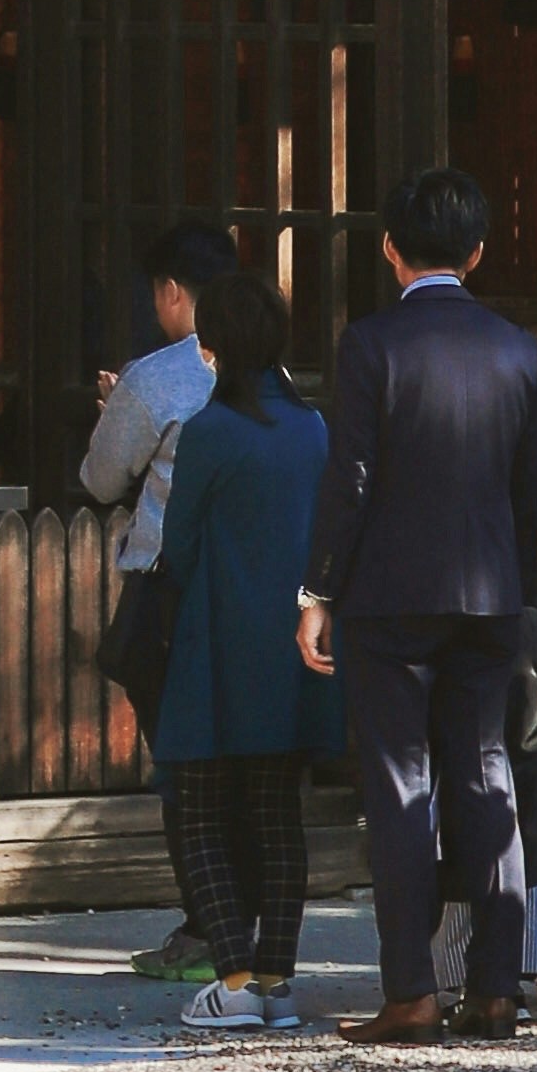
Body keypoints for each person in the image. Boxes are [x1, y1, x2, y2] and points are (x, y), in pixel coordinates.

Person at [299, 165, 537, 1048]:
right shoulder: (518, 348)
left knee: (401, 783)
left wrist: (318, 587)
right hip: (490, 592)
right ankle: (494, 987)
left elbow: (352, 475)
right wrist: (517, 582)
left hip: (390, 591)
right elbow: (533, 488)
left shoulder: (371, 344)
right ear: (476, 253)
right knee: (486, 773)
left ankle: (410, 989)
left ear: (389, 249)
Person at [152, 260, 340, 1032]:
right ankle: (275, 980)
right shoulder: (314, 426)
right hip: (299, 642)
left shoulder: (208, 432)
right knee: (276, 815)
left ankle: (231, 979)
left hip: (215, 642)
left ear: (213, 345)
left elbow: (179, 545)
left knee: (199, 813)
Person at [82, 216, 241, 987]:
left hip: (169, 590)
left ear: (173, 291)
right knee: (244, 760)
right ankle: (240, 922)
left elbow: (102, 481)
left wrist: (118, 408)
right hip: (248, 589)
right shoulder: (262, 369)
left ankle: (205, 923)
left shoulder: (159, 375)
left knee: (180, 763)